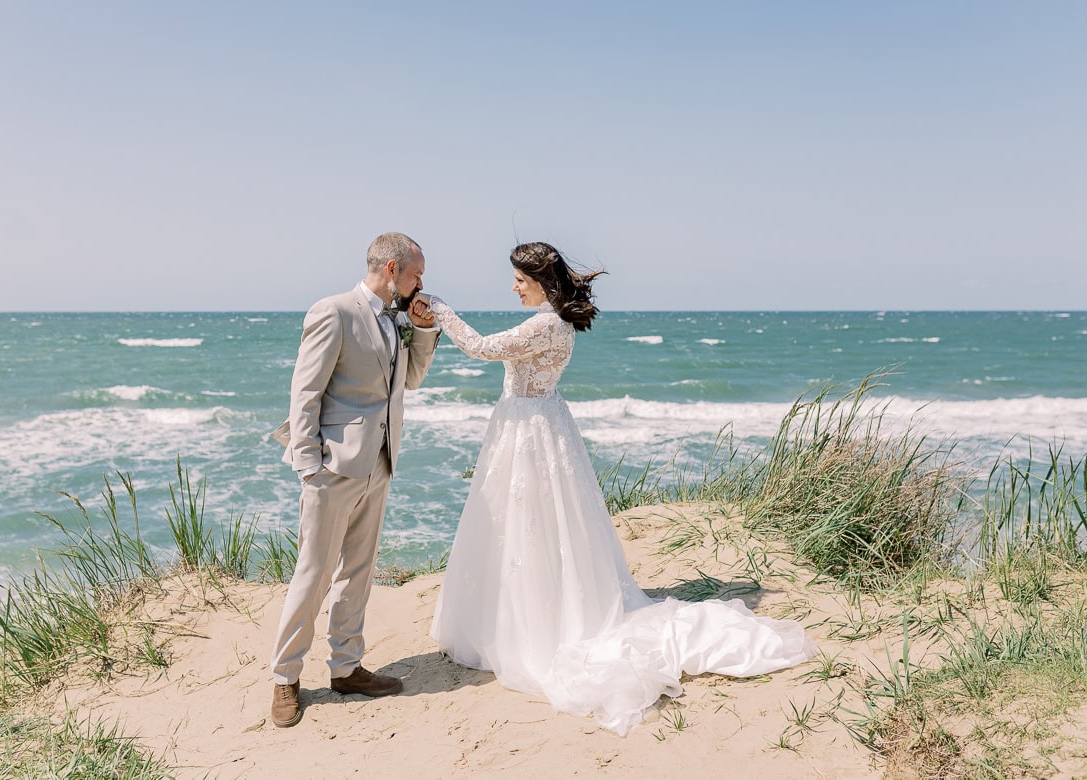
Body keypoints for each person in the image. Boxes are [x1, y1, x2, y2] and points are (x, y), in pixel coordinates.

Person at [416, 242, 814, 735]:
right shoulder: (554, 321)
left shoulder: (544, 324)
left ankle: (530, 623)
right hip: (537, 424)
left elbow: (483, 347)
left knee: (530, 523)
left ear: (542, 280)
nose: (513, 287)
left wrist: (439, 309)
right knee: (533, 523)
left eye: (519, 279)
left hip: (530, 430)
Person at [268, 232, 441, 728]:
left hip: (381, 462)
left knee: (358, 572)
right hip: (332, 468)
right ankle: (285, 678)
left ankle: (346, 668)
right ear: (392, 269)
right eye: (416, 273)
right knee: (313, 574)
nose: (420, 282)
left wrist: (423, 331)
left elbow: (409, 381)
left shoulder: (398, 319)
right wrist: (308, 463)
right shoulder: (333, 311)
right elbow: (306, 392)